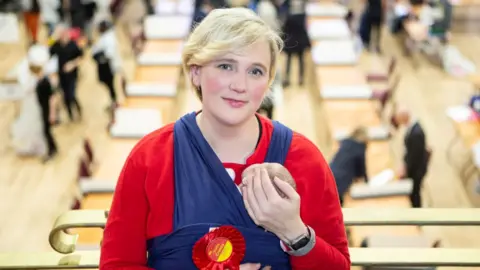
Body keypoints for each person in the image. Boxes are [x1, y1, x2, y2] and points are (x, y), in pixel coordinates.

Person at [100, 8, 350, 270]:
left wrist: (296, 233)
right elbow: (119, 263)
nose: (240, 85)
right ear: (195, 71)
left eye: (255, 71)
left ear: (268, 82)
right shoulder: (151, 159)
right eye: (225, 66)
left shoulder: (304, 159)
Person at [10, 44, 58, 161]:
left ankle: (52, 150)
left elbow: (52, 98)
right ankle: (52, 148)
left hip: (46, 109)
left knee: (46, 131)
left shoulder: (45, 83)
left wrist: (52, 113)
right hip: (42, 108)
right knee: (45, 130)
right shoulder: (39, 81)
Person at [394, 108, 430, 208]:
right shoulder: (412, 128)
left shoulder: (416, 133)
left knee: (414, 193)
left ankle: (416, 212)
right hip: (413, 166)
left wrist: (405, 169)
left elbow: (414, 157)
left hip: (416, 171)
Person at [49, 24, 84, 121]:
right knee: (65, 96)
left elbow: (81, 56)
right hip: (61, 75)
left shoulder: (73, 45)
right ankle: (71, 115)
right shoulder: (56, 45)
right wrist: (53, 37)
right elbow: (48, 49)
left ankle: (78, 109)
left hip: (72, 74)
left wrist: (72, 64)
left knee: (71, 94)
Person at [329, 127, 369, 206]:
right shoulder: (360, 147)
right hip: (342, 178)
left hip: (331, 173)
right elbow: (361, 168)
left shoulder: (345, 144)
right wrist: (367, 180)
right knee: (337, 203)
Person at [91, 20, 121, 109]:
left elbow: (109, 54)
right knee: (109, 85)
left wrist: (101, 57)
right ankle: (113, 101)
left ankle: (115, 102)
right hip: (104, 65)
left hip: (108, 66)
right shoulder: (103, 37)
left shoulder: (109, 38)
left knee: (112, 85)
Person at [282, 0, 310, 87]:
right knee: (301, 60)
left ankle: (287, 78)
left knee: (289, 60)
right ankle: (301, 79)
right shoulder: (303, 16)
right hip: (300, 40)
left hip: (291, 41)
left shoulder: (289, 16)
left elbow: (285, 29)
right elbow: (305, 29)